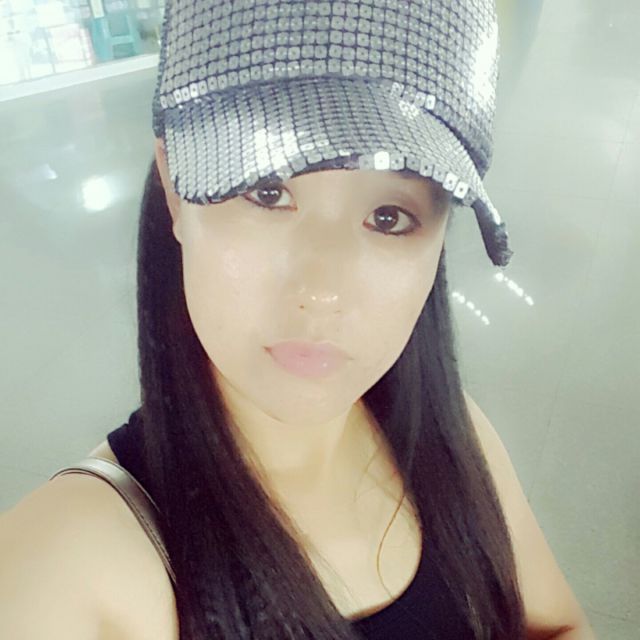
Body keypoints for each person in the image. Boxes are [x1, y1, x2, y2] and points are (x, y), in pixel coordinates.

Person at [0, 1, 596, 638]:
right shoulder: (69, 563)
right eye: (267, 190)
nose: (322, 292)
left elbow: (558, 625)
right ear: (174, 187)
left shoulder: (453, 435)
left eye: (389, 217)